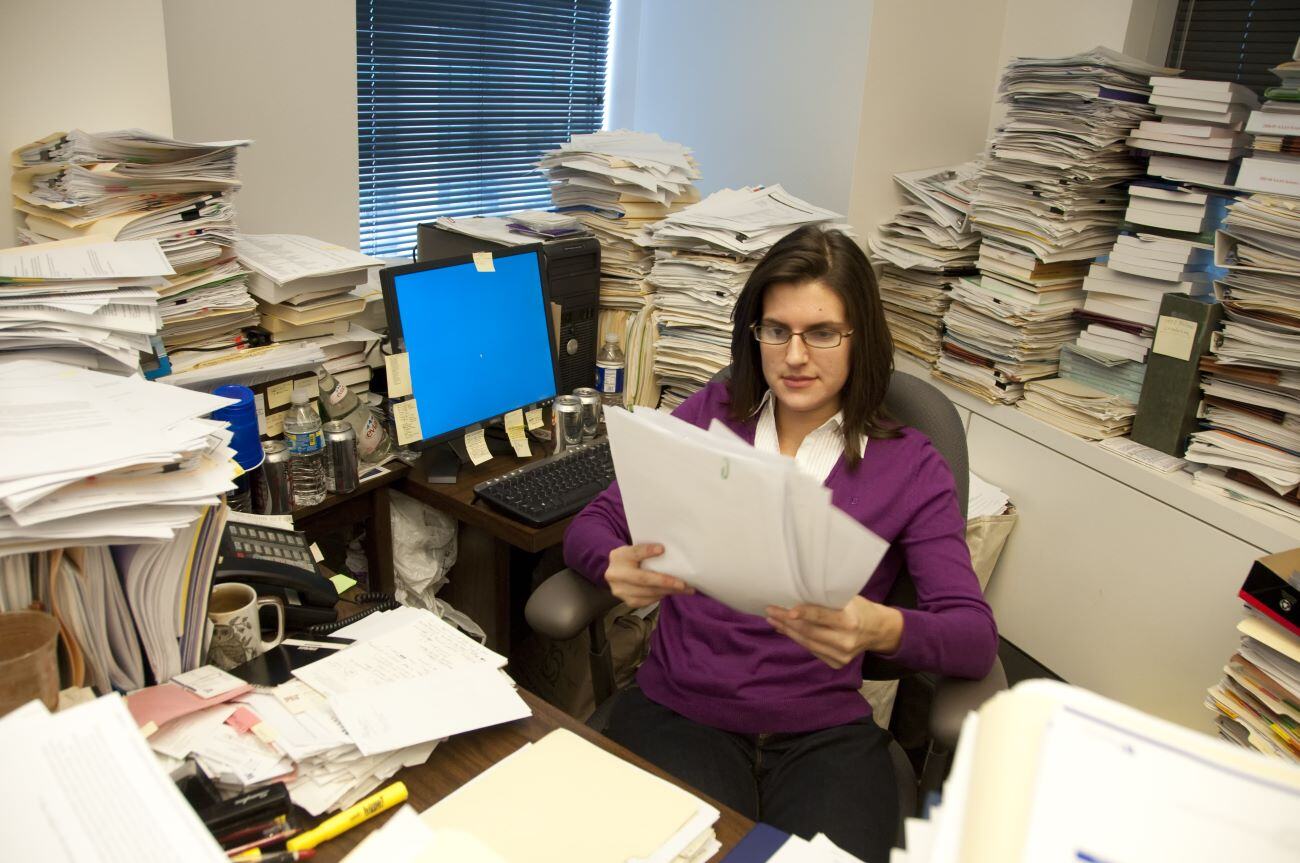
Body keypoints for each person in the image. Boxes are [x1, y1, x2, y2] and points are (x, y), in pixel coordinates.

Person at [563, 225, 997, 861]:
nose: (795, 356)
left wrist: (881, 628)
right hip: (681, 711)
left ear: (859, 340)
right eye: (776, 330)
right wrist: (612, 566)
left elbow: (973, 637)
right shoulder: (712, 415)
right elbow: (593, 524)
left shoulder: (910, 464)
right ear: (754, 333)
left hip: (822, 734)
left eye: (821, 333)